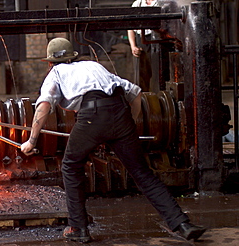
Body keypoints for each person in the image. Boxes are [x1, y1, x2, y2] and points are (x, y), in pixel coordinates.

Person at [21, 37, 206, 243]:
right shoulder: (93, 65)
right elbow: (135, 93)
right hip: (121, 114)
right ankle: (182, 224)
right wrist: (129, 125)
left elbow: (44, 106)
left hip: (92, 116)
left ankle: (78, 228)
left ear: (49, 62)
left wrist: (32, 141)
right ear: (73, 56)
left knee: (71, 166)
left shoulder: (55, 73)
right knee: (142, 173)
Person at [127, 0, 158, 92]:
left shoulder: (162, 2)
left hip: (158, 41)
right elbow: (130, 27)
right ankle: (143, 100)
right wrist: (133, 46)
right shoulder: (137, 4)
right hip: (141, 41)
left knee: (157, 75)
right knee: (142, 76)